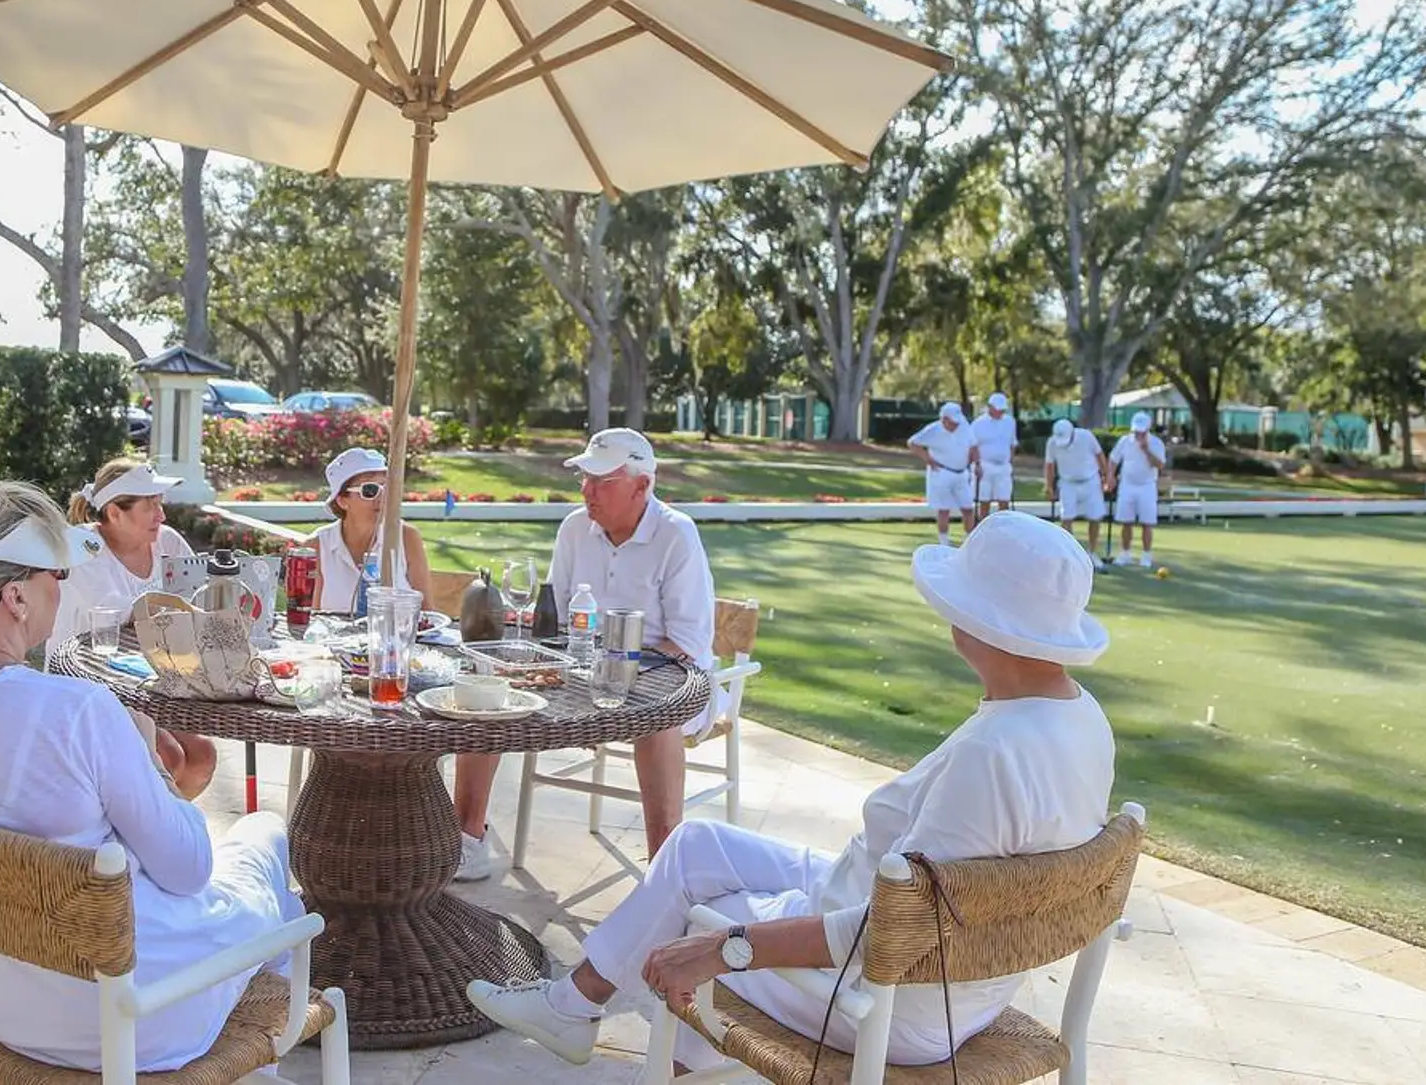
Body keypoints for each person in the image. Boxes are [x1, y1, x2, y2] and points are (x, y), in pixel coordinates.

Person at [466, 512, 1114, 1072]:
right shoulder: (1080, 719)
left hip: (890, 1000)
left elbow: (889, 933)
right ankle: (572, 1009)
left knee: (695, 916)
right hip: (919, 952)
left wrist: (726, 946)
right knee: (695, 845)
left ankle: (622, 1039)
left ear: (975, 622)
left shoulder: (991, 757)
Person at [0, 479, 308, 1074]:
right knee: (264, 833)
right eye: (59, 574)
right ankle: (264, 1055)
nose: (62, 587)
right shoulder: (76, 712)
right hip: (137, 1015)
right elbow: (188, 869)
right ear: (15, 598)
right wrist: (149, 761)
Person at [451, 428, 717, 882]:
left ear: (642, 486)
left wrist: (615, 669)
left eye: (601, 481)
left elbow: (687, 645)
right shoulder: (575, 527)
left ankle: (664, 875)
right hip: (580, 674)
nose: (587, 491)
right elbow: (554, 620)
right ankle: (467, 840)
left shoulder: (677, 534)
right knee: (487, 691)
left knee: (657, 721)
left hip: (668, 682)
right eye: (585, 479)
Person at [52, 458, 215, 799]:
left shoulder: (167, 542)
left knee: (202, 756)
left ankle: (168, 823)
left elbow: (199, 596)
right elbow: (118, 613)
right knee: (168, 758)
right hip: (88, 685)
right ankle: (145, 825)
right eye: (150, 506)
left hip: (146, 681)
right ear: (114, 513)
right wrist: (176, 606)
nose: (162, 516)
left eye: (160, 504)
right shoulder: (81, 546)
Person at [307, 446, 432, 614]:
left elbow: (428, 613)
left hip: (396, 632)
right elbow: (309, 617)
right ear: (342, 501)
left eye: (386, 488)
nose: (382, 497)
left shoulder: (407, 538)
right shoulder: (316, 546)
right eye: (370, 490)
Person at [1044, 418, 1112, 564]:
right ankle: (1069, 555)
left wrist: (1107, 477)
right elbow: (1049, 465)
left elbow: (1100, 456)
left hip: (1090, 481)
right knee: (1066, 518)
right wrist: (1049, 486)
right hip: (1067, 483)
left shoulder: (1086, 436)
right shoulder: (1052, 443)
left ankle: (1092, 553)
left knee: (1095, 517)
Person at [908, 403, 979, 543]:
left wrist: (976, 463)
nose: (955, 425)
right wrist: (928, 460)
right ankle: (944, 542)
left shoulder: (964, 426)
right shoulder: (933, 430)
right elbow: (913, 443)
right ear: (944, 419)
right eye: (952, 422)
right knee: (943, 509)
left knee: (968, 508)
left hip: (961, 473)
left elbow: (973, 445)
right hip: (941, 473)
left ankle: (970, 541)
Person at [1109, 412, 1167, 569]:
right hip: (1127, 485)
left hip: (1147, 486)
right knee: (1126, 521)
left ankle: (1146, 555)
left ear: (1148, 429)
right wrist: (1110, 477)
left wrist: (1146, 450)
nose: (1138, 434)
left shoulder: (1156, 443)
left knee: (1147, 522)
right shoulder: (1124, 441)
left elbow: (1160, 465)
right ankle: (1125, 554)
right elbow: (1113, 459)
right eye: (1136, 431)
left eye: (1141, 431)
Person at [971, 393, 1020, 517]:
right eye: (997, 409)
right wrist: (977, 464)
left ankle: (1003, 527)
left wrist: (1010, 463)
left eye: (1002, 410)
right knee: (984, 501)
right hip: (985, 466)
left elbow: (1012, 444)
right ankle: (984, 526)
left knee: (1004, 501)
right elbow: (973, 446)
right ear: (990, 407)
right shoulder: (978, 423)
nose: (1000, 412)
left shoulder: (1010, 422)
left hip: (1003, 466)